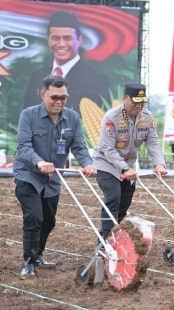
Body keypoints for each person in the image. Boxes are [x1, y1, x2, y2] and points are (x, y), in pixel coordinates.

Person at [14, 75, 97, 279]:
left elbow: (78, 146)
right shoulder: (28, 115)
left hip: (53, 178)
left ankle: (39, 255)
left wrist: (87, 163)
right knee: (34, 217)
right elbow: (24, 146)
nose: (59, 102)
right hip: (29, 175)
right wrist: (39, 162)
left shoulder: (72, 118)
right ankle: (29, 262)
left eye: (63, 97)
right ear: (43, 94)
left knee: (49, 221)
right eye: (54, 97)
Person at [92, 82, 167, 240]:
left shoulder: (147, 118)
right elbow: (108, 149)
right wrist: (125, 168)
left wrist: (159, 163)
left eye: (142, 102)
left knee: (124, 204)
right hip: (107, 164)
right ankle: (106, 240)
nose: (139, 106)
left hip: (129, 166)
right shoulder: (112, 117)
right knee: (113, 197)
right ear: (125, 98)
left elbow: (152, 142)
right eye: (135, 102)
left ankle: (108, 233)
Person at [24, 11, 110, 115]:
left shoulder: (97, 80)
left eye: (67, 38)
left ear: (79, 40)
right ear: (48, 40)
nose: (61, 44)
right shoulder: (36, 77)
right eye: (55, 38)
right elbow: (26, 119)